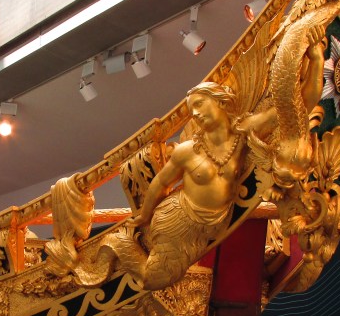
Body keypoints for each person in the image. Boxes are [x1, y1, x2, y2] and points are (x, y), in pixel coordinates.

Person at [95, 82, 271, 290]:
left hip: (210, 224)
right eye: (191, 110)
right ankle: (117, 244)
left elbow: (278, 115)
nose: (194, 114)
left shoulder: (240, 136)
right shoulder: (188, 151)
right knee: (153, 280)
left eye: (199, 104)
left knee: (167, 274)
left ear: (220, 101)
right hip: (178, 219)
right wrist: (145, 215)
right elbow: (161, 182)